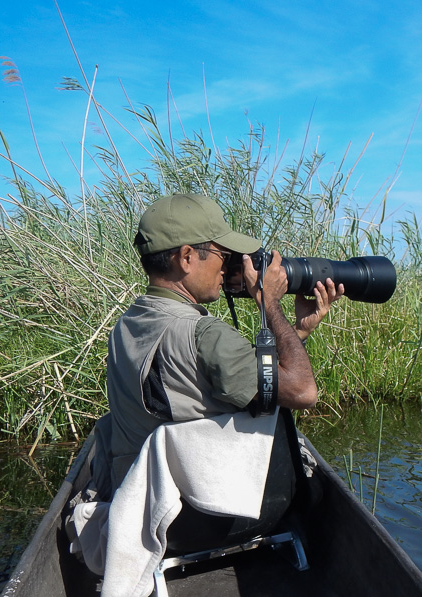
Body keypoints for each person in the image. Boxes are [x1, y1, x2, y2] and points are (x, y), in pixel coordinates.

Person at [105, 193, 343, 551]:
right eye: (223, 256)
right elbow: (303, 392)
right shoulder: (204, 333)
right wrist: (269, 304)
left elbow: (244, 378)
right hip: (199, 517)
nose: (227, 268)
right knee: (315, 486)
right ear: (186, 257)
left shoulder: (129, 322)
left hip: (143, 505)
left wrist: (299, 331)